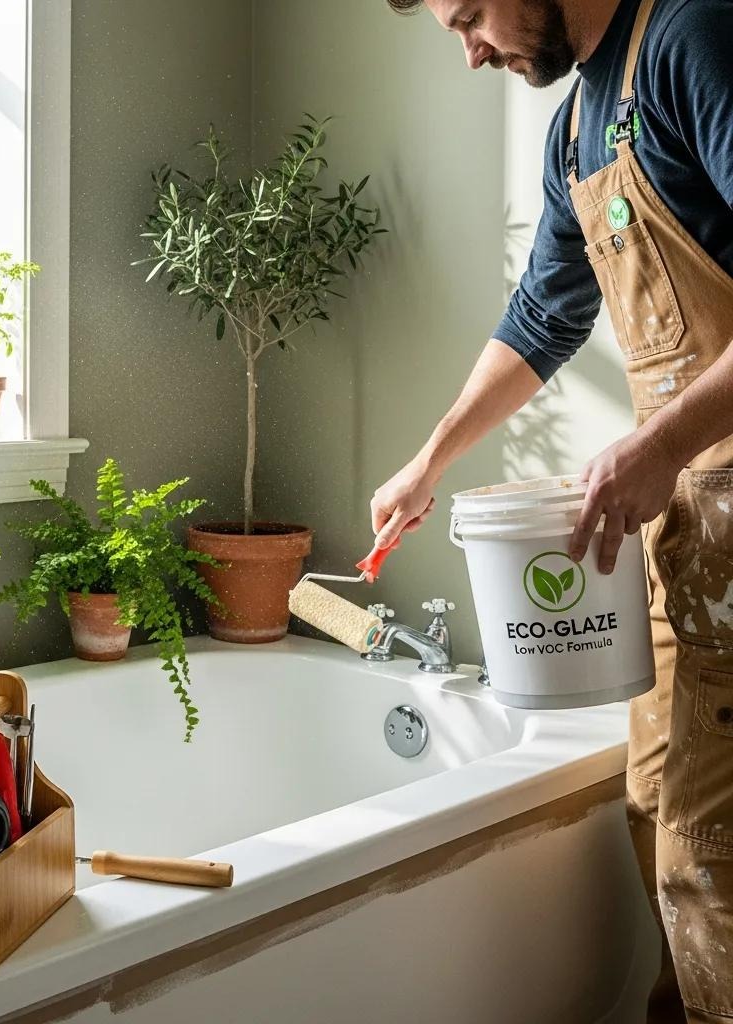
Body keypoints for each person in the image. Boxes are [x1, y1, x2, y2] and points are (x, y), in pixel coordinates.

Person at [377, 0, 733, 1020]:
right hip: (687, 553)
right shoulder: (578, 126)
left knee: (705, 863)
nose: (470, 50)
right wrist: (427, 458)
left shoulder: (688, 40)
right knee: (651, 813)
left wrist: (659, 443)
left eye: (470, 15)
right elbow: (544, 313)